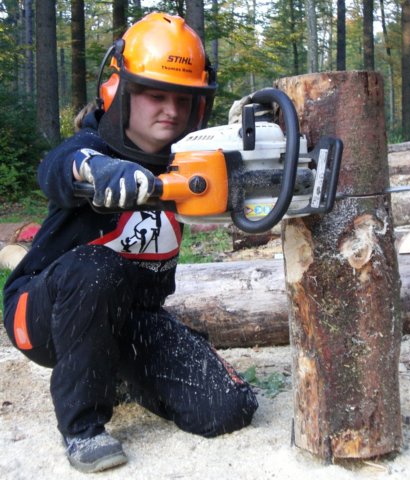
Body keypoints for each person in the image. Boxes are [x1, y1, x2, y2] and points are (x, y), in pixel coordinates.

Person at [2, 12, 258, 474]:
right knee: (96, 269)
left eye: (183, 99)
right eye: (155, 95)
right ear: (119, 92)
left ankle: (114, 373)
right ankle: (83, 429)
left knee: (227, 407)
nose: (171, 111)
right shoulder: (89, 151)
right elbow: (59, 166)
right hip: (41, 316)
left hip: (130, 321)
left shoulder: (187, 162)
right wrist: (96, 172)